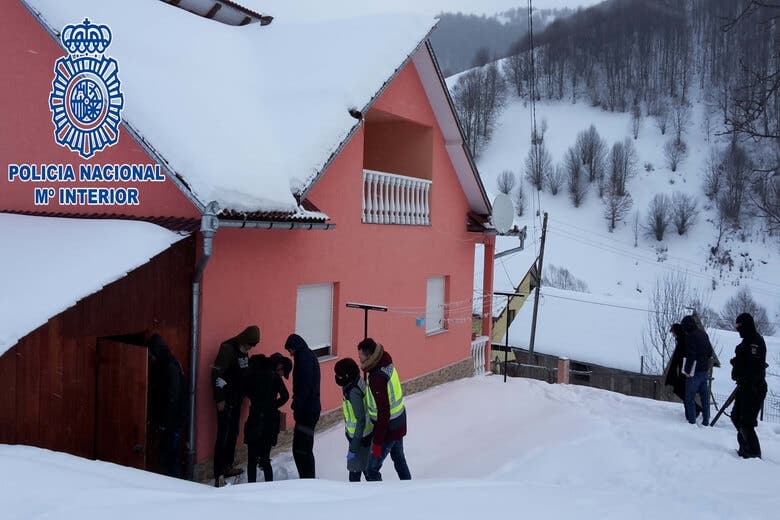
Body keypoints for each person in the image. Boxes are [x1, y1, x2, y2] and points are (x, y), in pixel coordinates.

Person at [211, 325, 259, 486]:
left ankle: (228, 466)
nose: (250, 348)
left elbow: (243, 374)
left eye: (252, 346)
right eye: (249, 345)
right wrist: (219, 399)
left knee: (233, 434)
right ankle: (218, 474)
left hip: (237, 399)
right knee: (223, 436)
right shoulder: (228, 349)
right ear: (244, 340)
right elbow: (216, 373)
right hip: (226, 400)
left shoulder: (244, 350)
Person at [357, 338, 411, 481]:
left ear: (369, 356)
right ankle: (410, 487)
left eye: (360, 356)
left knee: (371, 469)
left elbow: (384, 413)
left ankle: (380, 494)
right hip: (399, 421)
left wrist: (377, 443)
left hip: (388, 429)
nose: (359, 359)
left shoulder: (377, 379)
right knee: (399, 459)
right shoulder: (385, 361)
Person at [242, 354, 289, 482]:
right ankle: (269, 487)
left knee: (252, 459)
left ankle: (251, 486)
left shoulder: (251, 377)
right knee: (265, 459)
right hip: (270, 421)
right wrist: (273, 405)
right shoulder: (274, 376)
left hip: (255, 418)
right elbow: (285, 395)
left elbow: (245, 391)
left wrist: (257, 402)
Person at [147, 333, 186, 478]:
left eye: (152, 354)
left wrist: (165, 422)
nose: (151, 358)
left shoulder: (169, 366)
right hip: (172, 420)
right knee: (168, 456)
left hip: (173, 421)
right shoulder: (167, 364)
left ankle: (172, 484)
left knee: (170, 457)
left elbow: (172, 397)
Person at [730, 312, 768, 459]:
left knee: (746, 422)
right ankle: (744, 447)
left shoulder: (755, 342)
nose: (737, 328)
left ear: (746, 325)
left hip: (754, 388)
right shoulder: (746, 341)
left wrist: (739, 365)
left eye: (739, 326)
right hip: (744, 387)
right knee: (736, 416)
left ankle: (753, 453)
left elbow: (754, 366)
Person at [284, 334, 321, 479]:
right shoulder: (307, 355)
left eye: (290, 350)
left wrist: (296, 406)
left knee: (301, 449)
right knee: (304, 448)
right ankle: (307, 478)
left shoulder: (304, 358)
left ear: (295, 347)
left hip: (307, 412)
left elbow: (304, 386)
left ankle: (307, 480)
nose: (290, 354)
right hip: (310, 410)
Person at [334, 358, 373, 482]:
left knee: (356, 475)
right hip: (363, 437)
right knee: (367, 469)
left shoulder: (353, 392)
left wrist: (353, 448)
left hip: (360, 439)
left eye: (339, 375)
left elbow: (360, 420)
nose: (337, 378)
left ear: (347, 376)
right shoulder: (357, 381)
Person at [680, 315, 713, 426]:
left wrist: (687, 371)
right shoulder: (703, 334)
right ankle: (706, 421)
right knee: (704, 398)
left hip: (694, 372)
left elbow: (691, 355)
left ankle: (692, 422)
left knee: (689, 398)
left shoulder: (690, 337)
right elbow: (710, 352)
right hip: (704, 371)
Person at [664, 323, 701, 418]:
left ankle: (694, 410)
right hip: (681, 371)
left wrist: (685, 370)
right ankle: (692, 411)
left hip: (685, 371)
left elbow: (684, 356)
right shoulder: (681, 340)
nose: (673, 335)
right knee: (681, 391)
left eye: (673, 333)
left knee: (683, 391)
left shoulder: (684, 341)